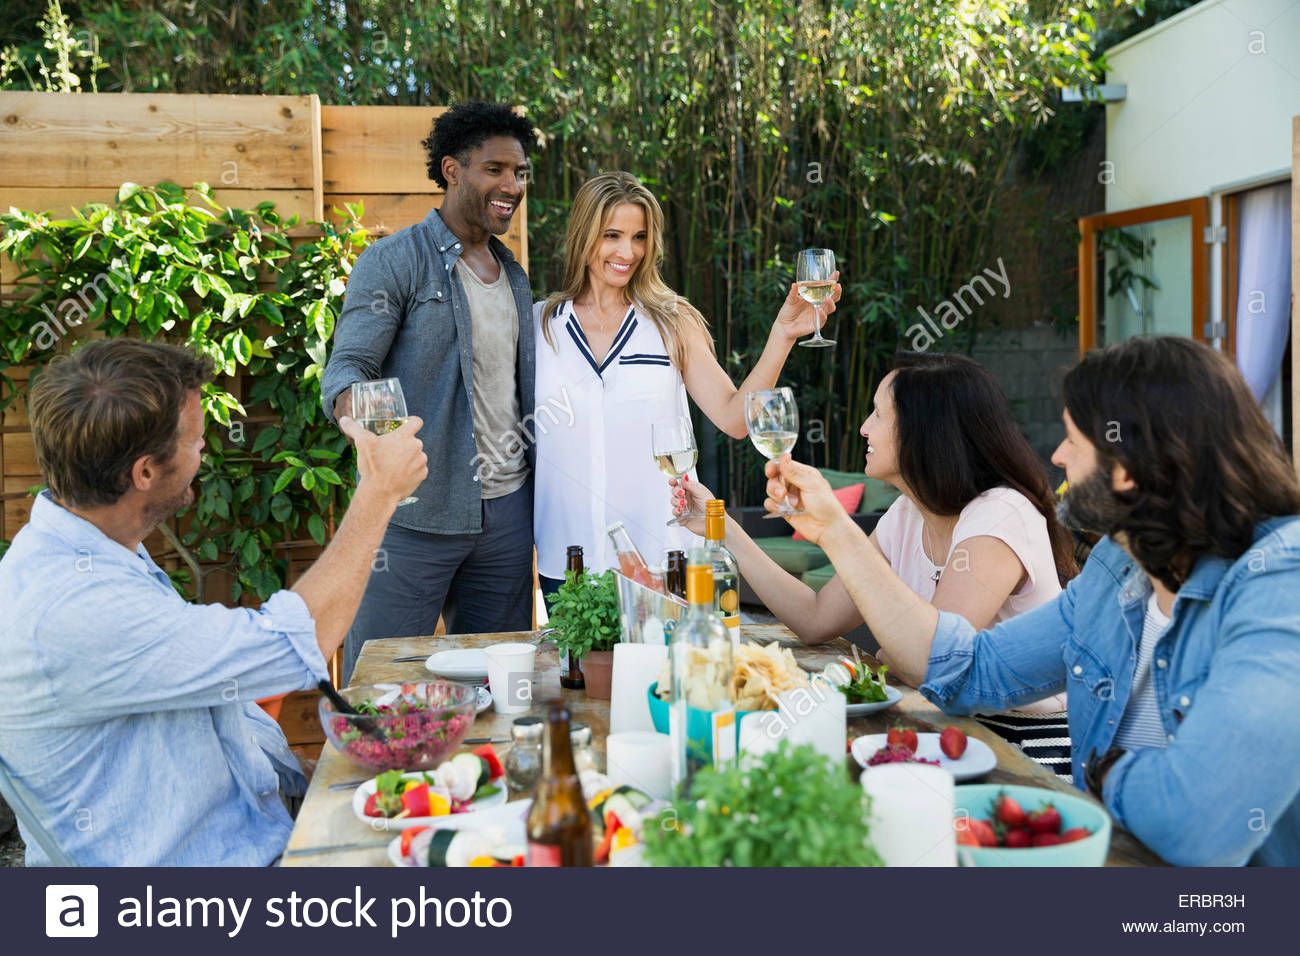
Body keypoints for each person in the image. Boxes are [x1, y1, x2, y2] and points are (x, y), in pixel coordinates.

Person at [764, 336, 1300, 866]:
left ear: (1127, 468)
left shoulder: (1279, 589)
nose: (1057, 456)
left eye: (1074, 441)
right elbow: (967, 668)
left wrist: (1102, 770)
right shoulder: (1120, 566)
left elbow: (1194, 825)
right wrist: (835, 532)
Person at [0, 339, 426, 865]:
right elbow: (294, 644)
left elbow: (205, 706)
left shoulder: (88, 550)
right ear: (145, 473)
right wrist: (378, 493)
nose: (205, 451)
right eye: (196, 441)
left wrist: (307, 783)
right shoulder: (75, 605)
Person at [675, 351, 1079, 775]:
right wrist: (720, 526)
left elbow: (934, 667)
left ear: (926, 429)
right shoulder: (906, 514)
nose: (864, 427)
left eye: (878, 415)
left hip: (1023, 743)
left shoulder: (1000, 514)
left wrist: (836, 529)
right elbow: (816, 618)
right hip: (941, 724)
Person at [533, 171, 838, 593]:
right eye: (612, 235)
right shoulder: (540, 326)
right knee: (577, 664)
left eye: (639, 237)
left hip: (663, 556)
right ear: (584, 235)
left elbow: (734, 418)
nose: (628, 251)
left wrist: (783, 333)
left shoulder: (671, 322)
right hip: (567, 559)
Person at [321, 102, 538, 683]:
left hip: (508, 515)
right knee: (383, 681)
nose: (511, 186)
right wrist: (382, 439)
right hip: (418, 515)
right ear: (451, 170)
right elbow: (348, 370)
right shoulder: (393, 262)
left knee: (503, 681)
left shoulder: (513, 274)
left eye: (519, 173)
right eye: (495, 170)